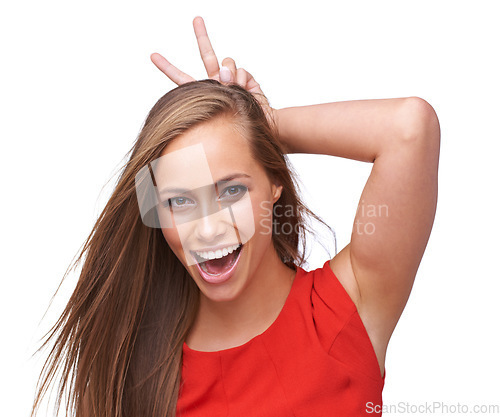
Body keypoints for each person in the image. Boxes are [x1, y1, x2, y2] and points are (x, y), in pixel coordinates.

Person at [31, 15, 440, 417]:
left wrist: (261, 126)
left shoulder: (347, 311)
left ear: (274, 182)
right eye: (179, 201)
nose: (208, 229)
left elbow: (409, 127)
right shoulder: (131, 364)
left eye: (231, 191)